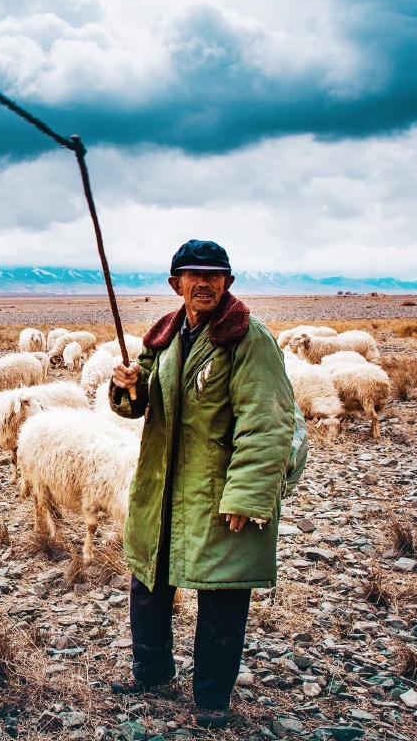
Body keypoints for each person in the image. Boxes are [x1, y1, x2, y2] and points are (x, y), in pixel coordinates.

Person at [109, 239, 296, 729]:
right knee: (149, 579)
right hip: (164, 484)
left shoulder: (248, 339)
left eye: (214, 275)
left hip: (218, 491)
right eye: (193, 275)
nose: (204, 282)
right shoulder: (166, 338)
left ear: (228, 283)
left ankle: (212, 699)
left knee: (223, 592)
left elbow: (267, 421)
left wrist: (249, 495)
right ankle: (150, 673)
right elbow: (138, 404)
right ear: (177, 285)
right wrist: (127, 384)